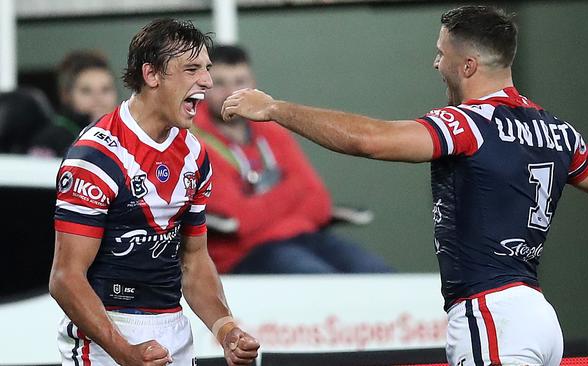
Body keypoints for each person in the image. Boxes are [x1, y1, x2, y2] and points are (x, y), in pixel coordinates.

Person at [221, 5, 588, 366]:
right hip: (540, 318)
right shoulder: (559, 132)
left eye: (442, 54)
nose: (436, 65)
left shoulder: (466, 125)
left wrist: (274, 108)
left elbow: (370, 140)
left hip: (490, 315)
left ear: (468, 65)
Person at [49, 19, 259, 366]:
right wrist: (124, 352)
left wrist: (225, 329)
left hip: (174, 330)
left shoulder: (194, 154)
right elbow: (65, 278)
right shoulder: (97, 156)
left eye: (206, 69)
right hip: (105, 340)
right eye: (192, 69)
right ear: (152, 74)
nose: (206, 81)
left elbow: (194, 261)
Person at [194, 45, 393, 274]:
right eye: (219, 83)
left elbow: (319, 200)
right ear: (205, 86)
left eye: (240, 82)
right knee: (319, 281)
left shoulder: (270, 128)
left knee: (379, 273)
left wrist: (262, 204)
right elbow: (240, 221)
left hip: (305, 238)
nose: (231, 92)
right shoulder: (193, 140)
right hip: (246, 253)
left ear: (253, 84)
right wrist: (292, 190)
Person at [29, 50, 118, 157]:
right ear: (66, 95)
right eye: (86, 91)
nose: (98, 99)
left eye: (106, 89)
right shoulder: (50, 138)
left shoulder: (129, 133)